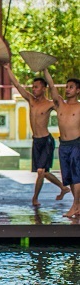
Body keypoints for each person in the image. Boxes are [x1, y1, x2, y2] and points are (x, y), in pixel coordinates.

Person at [4, 64, 69, 205]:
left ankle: (36, 197)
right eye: (33, 87)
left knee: (41, 171)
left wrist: (45, 71)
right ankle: (61, 188)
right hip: (36, 141)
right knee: (43, 172)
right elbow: (17, 84)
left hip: (46, 141)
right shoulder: (31, 100)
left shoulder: (50, 104)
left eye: (37, 87)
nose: (34, 89)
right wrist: (8, 69)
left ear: (43, 88)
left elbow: (53, 88)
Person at [43, 71, 80, 218]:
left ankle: (75, 206)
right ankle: (77, 205)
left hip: (76, 144)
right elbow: (52, 86)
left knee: (77, 176)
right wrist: (45, 70)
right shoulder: (60, 104)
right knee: (69, 178)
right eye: (67, 87)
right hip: (63, 145)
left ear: (78, 90)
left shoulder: (79, 107)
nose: (68, 89)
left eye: (71, 87)